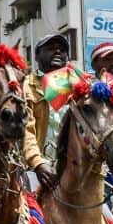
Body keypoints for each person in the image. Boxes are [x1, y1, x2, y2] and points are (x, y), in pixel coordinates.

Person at [22, 33, 69, 189]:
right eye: (51, 48)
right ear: (36, 56)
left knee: (104, 213)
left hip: (72, 168)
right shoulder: (25, 86)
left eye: (62, 49)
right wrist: (37, 163)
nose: (57, 52)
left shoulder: (76, 87)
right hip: (35, 168)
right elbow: (26, 130)